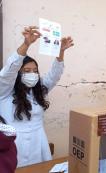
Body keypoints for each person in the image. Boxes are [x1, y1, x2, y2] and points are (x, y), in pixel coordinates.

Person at [0, 26, 74, 167]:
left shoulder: (38, 90)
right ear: (18, 73)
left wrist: (61, 52)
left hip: (38, 143)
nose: (32, 74)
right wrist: (26, 44)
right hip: (14, 145)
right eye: (26, 71)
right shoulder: (4, 92)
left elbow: (54, 76)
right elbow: (8, 73)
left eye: (35, 71)